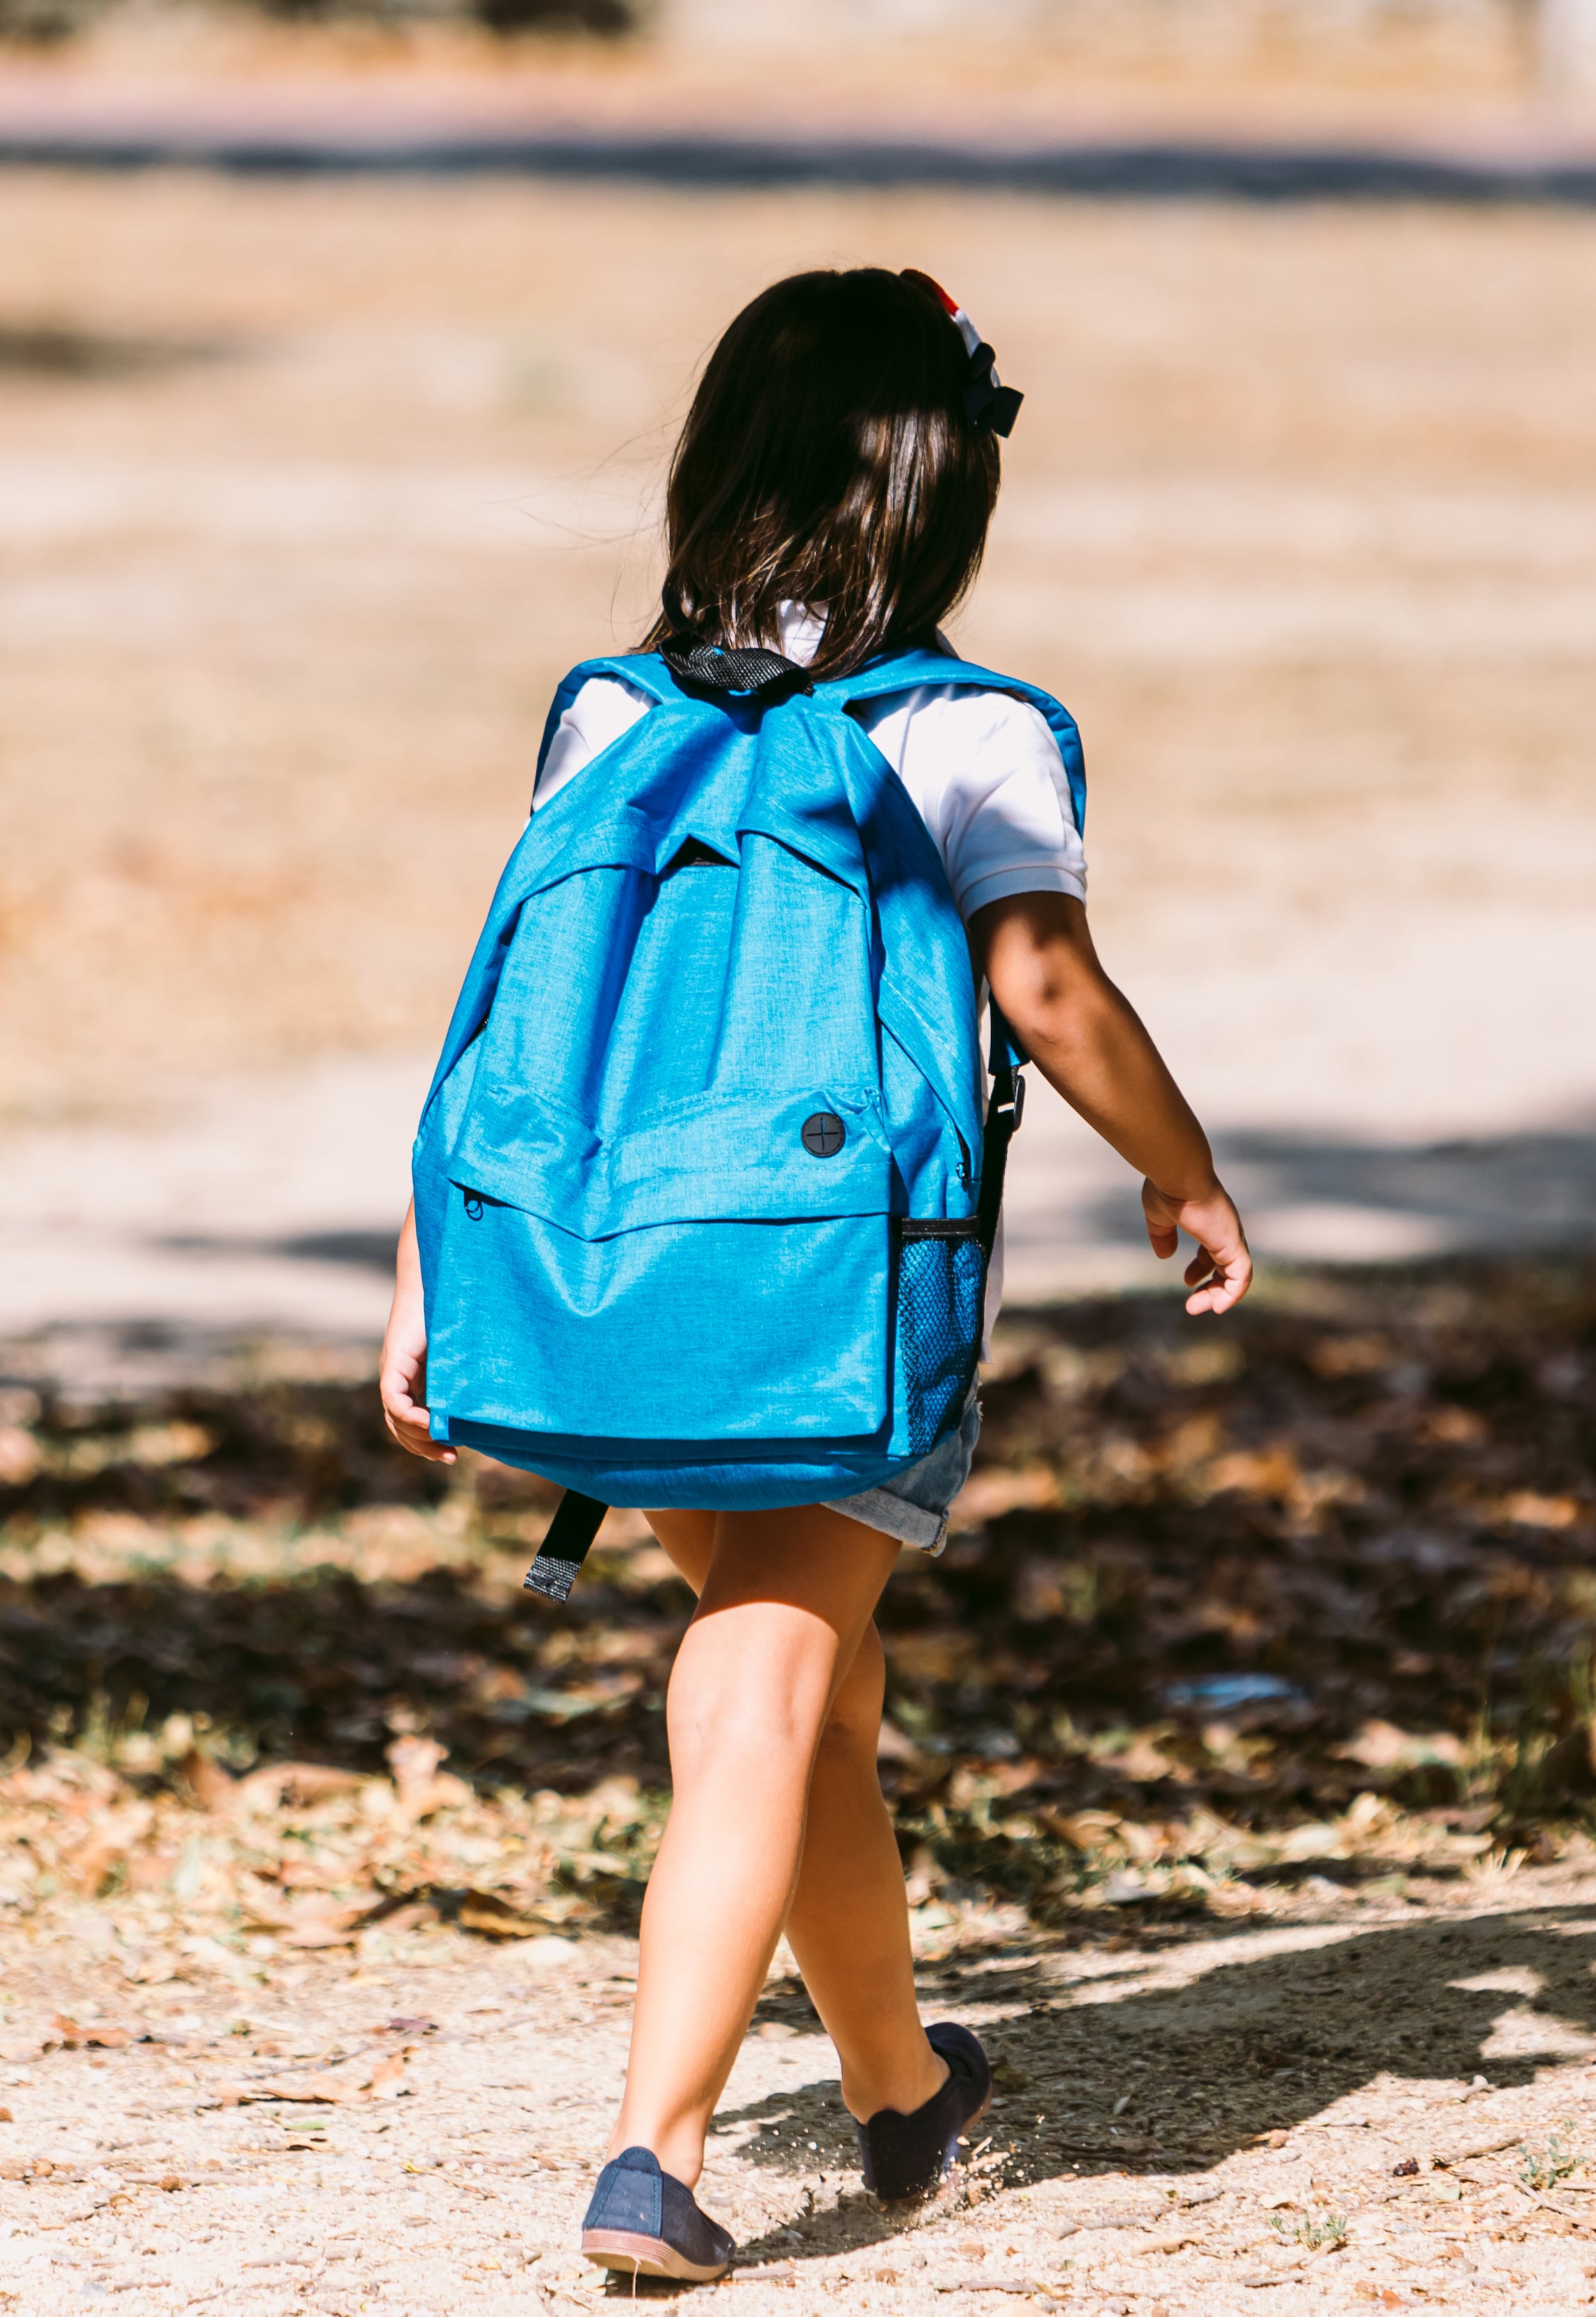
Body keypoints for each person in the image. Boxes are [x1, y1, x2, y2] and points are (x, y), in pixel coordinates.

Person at [375, 265, 1252, 2284]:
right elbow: (1042, 983)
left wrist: (429, 1272)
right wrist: (1181, 1169)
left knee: (818, 1695)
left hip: (610, 1281)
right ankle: (652, 2156)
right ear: (948, 499)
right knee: (767, 1671)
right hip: (839, 1304)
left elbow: (511, 1018)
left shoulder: (609, 711)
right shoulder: (966, 731)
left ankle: (903, 2097)